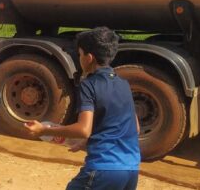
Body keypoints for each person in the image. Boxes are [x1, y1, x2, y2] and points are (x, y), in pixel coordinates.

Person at [25, 27, 140, 190]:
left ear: (89, 58)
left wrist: (44, 130)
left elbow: (83, 129)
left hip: (103, 168)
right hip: (131, 170)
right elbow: (135, 127)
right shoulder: (124, 84)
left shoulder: (89, 84)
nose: (79, 59)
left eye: (79, 54)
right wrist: (89, 142)